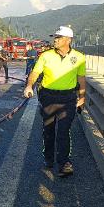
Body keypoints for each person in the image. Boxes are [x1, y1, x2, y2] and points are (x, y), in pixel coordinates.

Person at [23, 25, 86, 177]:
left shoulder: (79, 57)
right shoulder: (46, 55)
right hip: (48, 97)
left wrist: (82, 97)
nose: (55, 40)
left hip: (68, 99)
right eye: (55, 37)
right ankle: (49, 158)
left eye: (58, 37)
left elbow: (81, 78)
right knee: (49, 130)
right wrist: (29, 86)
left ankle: (64, 163)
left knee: (64, 131)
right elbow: (35, 72)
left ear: (68, 40)